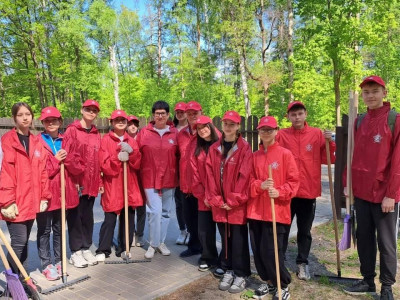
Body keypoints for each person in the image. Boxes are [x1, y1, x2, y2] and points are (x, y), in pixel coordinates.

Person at [343, 76, 399, 300]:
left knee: (385, 243)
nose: (370, 95)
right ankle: (368, 281)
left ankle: (386, 286)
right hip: (362, 194)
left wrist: (392, 195)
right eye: (366, 92)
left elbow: (397, 161)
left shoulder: (394, 120)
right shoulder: (359, 121)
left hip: (384, 194)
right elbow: (352, 156)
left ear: (384, 92)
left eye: (375, 91)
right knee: (363, 238)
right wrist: (349, 185)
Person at [276, 101, 335, 280]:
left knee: (304, 230)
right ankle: (279, 259)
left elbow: (328, 159)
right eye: (293, 114)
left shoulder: (316, 134)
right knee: (282, 228)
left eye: (300, 113)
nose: (297, 117)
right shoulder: (282, 135)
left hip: (308, 191)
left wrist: (329, 142)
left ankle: (302, 263)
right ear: (288, 117)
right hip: (287, 192)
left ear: (305, 114)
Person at [248, 116, 299, 300]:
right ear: (259, 132)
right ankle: (269, 283)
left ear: (276, 131)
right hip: (255, 211)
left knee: (272, 251)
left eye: (270, 129)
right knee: (258, 250)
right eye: (263, 129)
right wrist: (259, 186)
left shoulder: (285, 154)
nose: (266, 132)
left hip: (276, 212)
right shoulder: (255, 156)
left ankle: (282, 284)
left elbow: (294, 182)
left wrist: (280, 192)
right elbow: (249, 182)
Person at [0, 102, 51, 277]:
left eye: (27, 114)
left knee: (23, 242)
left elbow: (43, 171)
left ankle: (22, 279)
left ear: (32, 116)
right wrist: (6, 201)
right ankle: (13, 279)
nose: (24, 117)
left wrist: (44, 196)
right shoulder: (7, 141)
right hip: (14, 201)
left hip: (32, 200)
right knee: (19, 242)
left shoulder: (37, 142)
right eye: (20, 114)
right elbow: (5, 172)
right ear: (14, 118)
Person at [206, 110, 252, 294]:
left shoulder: (244, 148)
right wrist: (217, 199)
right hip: (220, 204)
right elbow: (209, 175)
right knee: (225, 238)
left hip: (236, 205)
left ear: (238, 126)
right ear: (222, 125)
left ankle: (241, 273)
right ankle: (229, 269)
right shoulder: (214, 148)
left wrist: (233, 200)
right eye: (226, 124)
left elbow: (245, 176)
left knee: (239, 239)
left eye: (232, 124)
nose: (228, 127)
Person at [37, 107, 83, 280]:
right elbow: (38, 171)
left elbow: (79, 167)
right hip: (46, 192)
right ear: (42, 123)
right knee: (44, 230)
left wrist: (68, 158)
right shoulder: (37, 142)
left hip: (64, 193)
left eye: (54, 120)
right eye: (47, 120)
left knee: (59, 229)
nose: (51, 123)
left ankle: (59, 260)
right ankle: (46, 263)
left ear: (60, 122)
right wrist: (56, 161)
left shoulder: (68, 141)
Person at [96, 110, 142, 262]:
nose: (120, 122)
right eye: (117, 120)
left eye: (123, 120)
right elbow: (104, 165)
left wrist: (132, 153)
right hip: (113, 185)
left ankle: (125, 248)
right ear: (112, 123)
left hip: (129, 185)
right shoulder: (105, 141)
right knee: (110, 219)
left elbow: (138, 164)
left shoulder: (132, 141)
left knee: (128, 218)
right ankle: (103, 249)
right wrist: (117, 159)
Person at [63, 99, 103, 268]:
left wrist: (99, 180)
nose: (91, 113)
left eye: (94, 110)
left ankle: (86, 247)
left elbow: (98, 158)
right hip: (76, 181)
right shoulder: (72, 131)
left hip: (92, 182)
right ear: (82, 110)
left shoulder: (95, 133)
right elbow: (68, 156)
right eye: (88, 109)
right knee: (75, 216)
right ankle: (76, 251)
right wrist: (77, 176)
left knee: (88, 215)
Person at [136, 100, 179, 259]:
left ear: (168, 115)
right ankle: (153, 244)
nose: (160, 116)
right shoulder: (145, 133)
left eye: (163, 113)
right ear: (153, 115)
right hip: (149, 177)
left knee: (166, 212)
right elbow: (135, 152)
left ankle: (161, 242)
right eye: (157, 113)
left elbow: (182, 155)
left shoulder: (175, 133)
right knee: (154, 211)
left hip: (169, 176)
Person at [190, 115, 221, 272]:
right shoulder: (197, 150)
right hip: (204, 197)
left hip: (220, 196)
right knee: (204, 230)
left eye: (205, 127)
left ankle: (225, 259)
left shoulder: (222, 145)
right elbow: (195, 176)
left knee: (224, 230)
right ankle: (208, 256)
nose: (202, 131)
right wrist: (204, 196)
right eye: (199, 129)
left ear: (211, 127)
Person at [177, 101, 203, 257]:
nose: (193, 115)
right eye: (190, 113)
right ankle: (194, 246)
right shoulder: (181, 135)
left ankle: (207, 251)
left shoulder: (208, 132)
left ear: (201, 112)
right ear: (185, 114)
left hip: (202, 185)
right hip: (186, 185)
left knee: (204, 222)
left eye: (195, 112)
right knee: (190, 220)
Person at [126, 115, 146, 247]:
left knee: (142, 207)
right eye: (130, 124)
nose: (133, 126)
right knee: (130, 205)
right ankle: (130, 233)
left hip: (142, 176)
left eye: (135, 124)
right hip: (128, 176)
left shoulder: (142, 138)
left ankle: (140, 234)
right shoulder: (124, 139)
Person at [173, 102, 190, 245]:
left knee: (189, 202)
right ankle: (182, 230)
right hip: (176, 170)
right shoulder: (172, 129)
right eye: (177, 111)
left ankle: (191, 230)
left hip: (190, 171)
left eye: (182, 111)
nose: (180, 114)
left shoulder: (193, 129)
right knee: (179, 202)